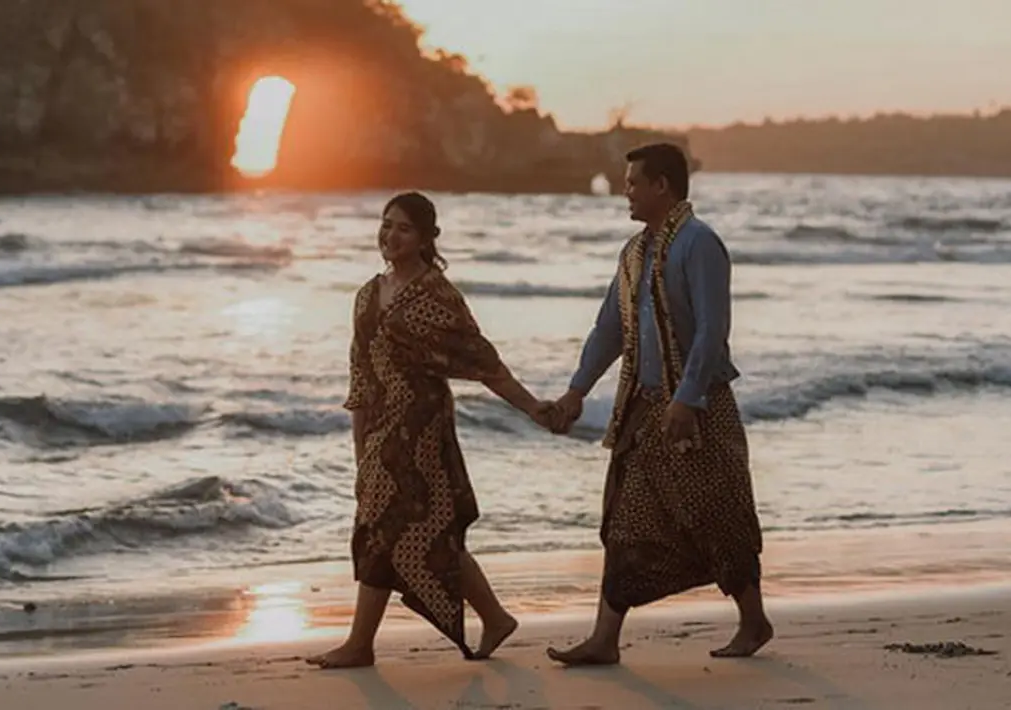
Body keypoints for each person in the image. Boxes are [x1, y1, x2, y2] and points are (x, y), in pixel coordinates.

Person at [543, 143, 773, 665]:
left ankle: (754, 622)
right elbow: (608, 331)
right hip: (643, 411)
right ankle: (604, 639)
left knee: (720, 518)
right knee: (624, 523)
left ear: (662, 186)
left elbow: (713, 329)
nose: (625, 190)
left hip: (701, 409)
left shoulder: (700, 244)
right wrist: (576, 391)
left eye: (631, 182)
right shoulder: (633, 254)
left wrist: (687, 398)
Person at [306, 191, 549, 669]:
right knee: (410, 530)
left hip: (422, 432)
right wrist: (360, 446)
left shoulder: (437, 296)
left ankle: (360, 644)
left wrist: (534, 408)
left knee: (400, 528)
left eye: (403, 228)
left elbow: (484, 363)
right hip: (380, 430)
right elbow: (360, 374)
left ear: (425, 239)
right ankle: (494, 618)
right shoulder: (367, 294)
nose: (390, 235)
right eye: (385, 224)